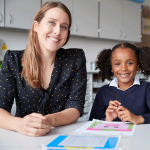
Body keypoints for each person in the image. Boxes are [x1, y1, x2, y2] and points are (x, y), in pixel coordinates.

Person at [0, 2, 87, 136]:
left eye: (64, 26)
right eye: (52, 23)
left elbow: (75, 107)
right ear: (36, 26)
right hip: (24, 137)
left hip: (62, 135)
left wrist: (49, 120)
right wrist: (18, 124)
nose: (58, 31)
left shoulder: (75, 58)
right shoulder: (14, 59)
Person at [89, 42, 150, 124]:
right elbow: (92, 122)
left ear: (138, 66)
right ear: (111, 67)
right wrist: (107, 120)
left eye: (129, 63)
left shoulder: (147, 89)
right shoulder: (103, 92)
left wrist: (138, 118)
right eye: (117, 64)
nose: (123, 68)